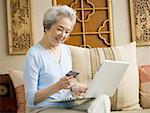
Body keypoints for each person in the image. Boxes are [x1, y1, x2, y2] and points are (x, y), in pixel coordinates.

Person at [23, 5, 110, 113]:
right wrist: (57, 86)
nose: (63, 35)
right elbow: (31, 99)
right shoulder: (34, 54)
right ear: (47, 27)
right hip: (46, 107)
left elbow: (67, 84)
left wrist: (74, 88)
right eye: (60, 29)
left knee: (103, 99)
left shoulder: (65, 50)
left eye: (67, 32)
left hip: (69, 103)